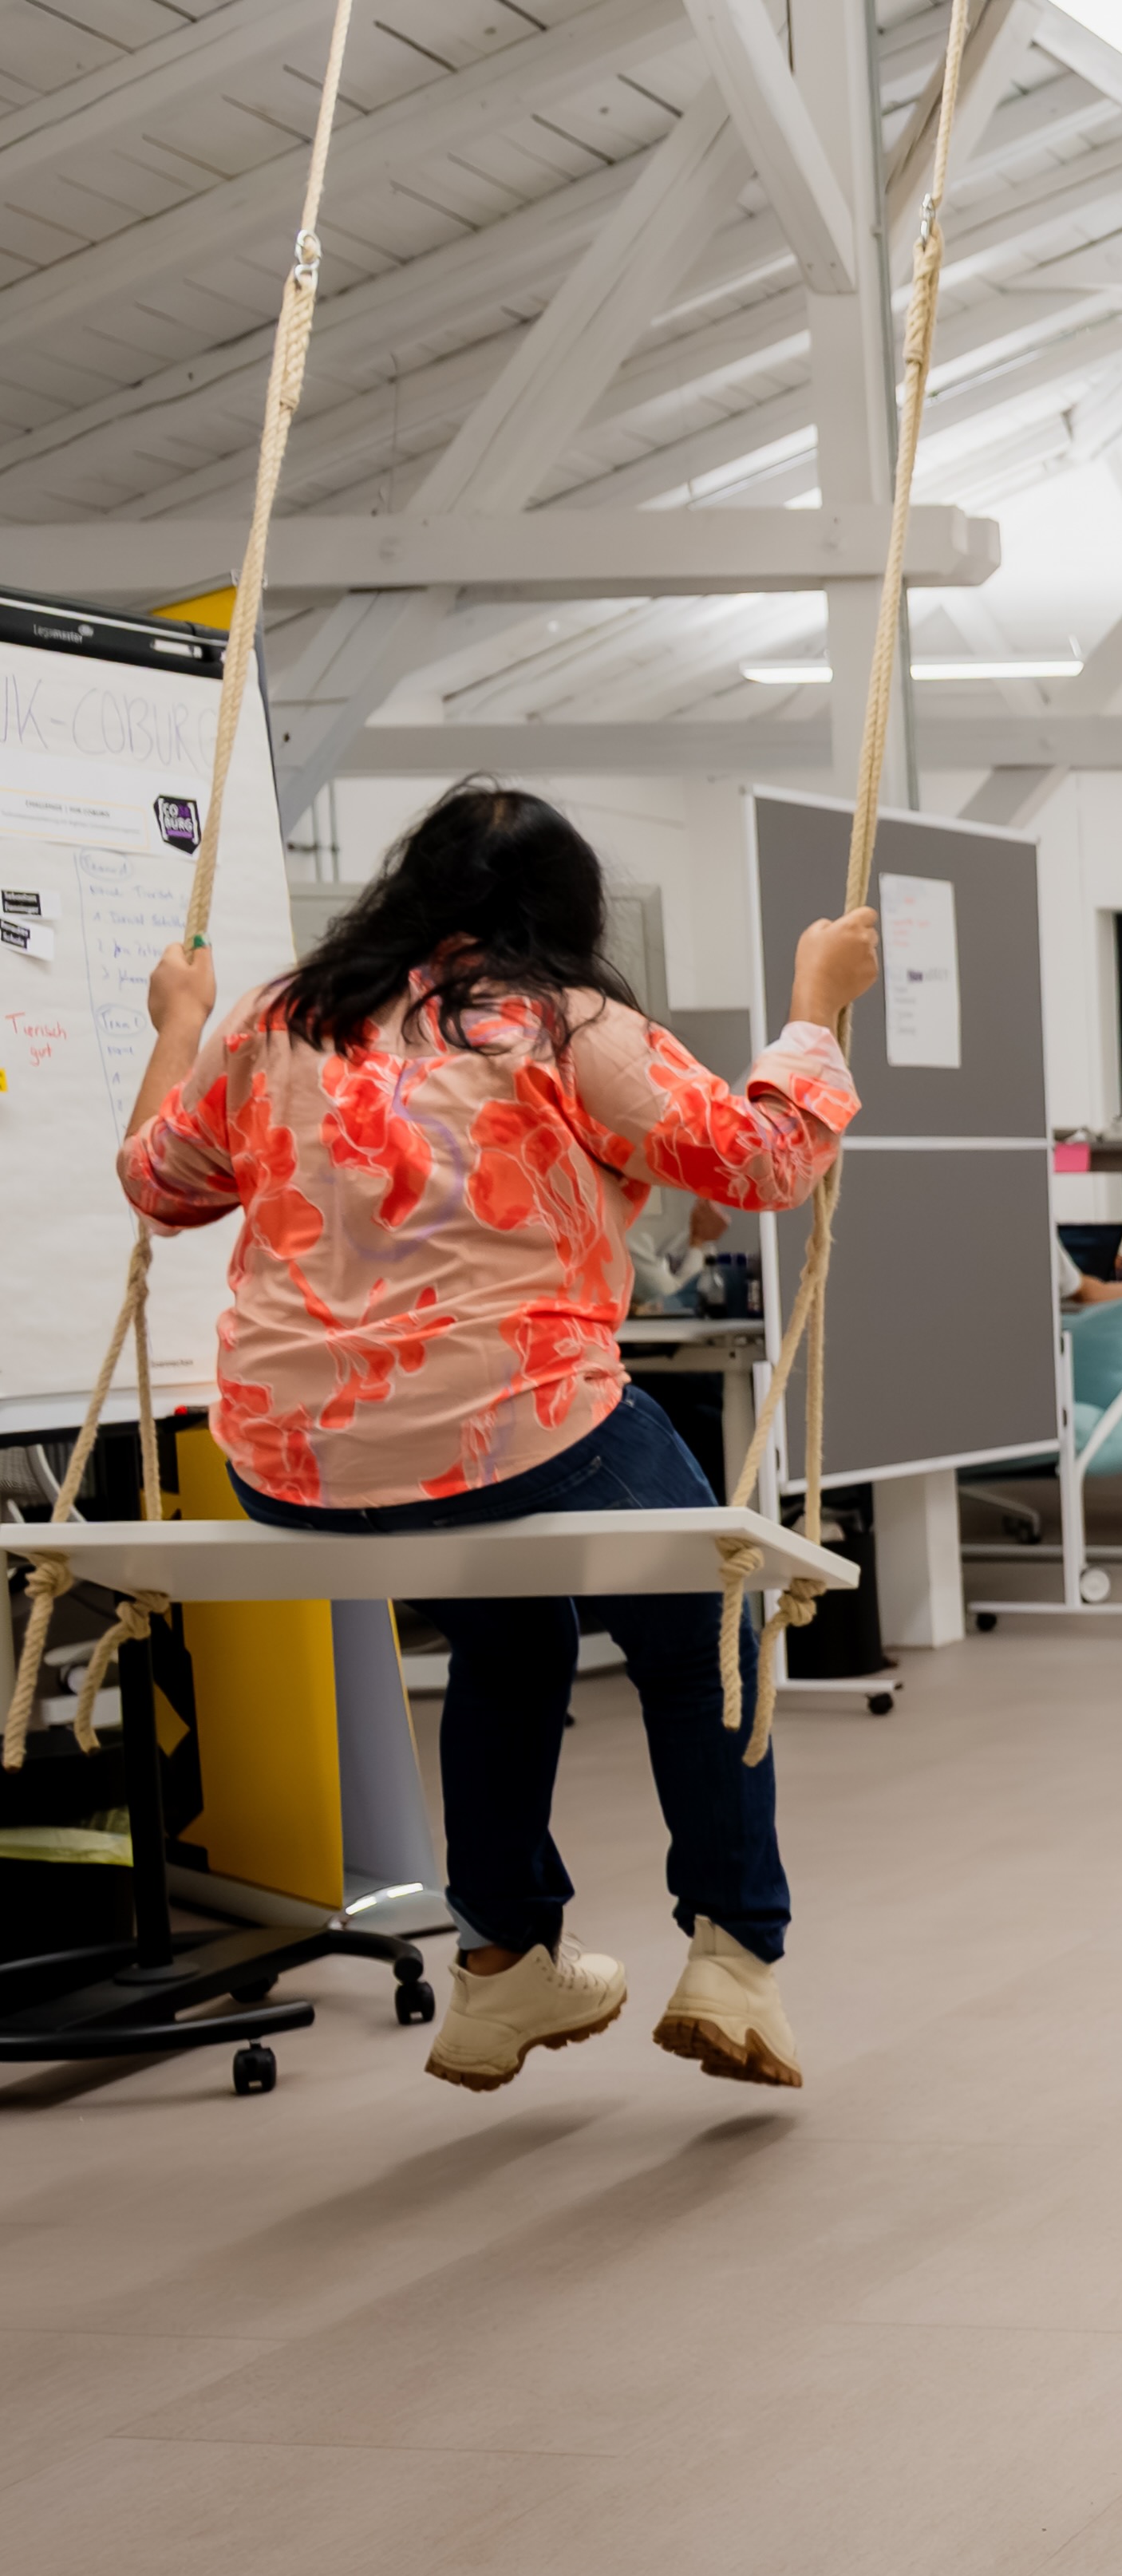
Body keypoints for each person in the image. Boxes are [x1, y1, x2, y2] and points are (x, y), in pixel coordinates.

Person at [114, 782, 875, 2096]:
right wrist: (819, 1001)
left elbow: (156, 1184)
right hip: (517, 1426)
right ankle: (734, 1957)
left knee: (512, 1640)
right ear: (568, 913)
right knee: (702, 1630)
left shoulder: (279, 1018)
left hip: (288, 1460)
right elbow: (762, 1164)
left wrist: (178, 1023)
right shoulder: (566, 1024)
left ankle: (501, 1966)